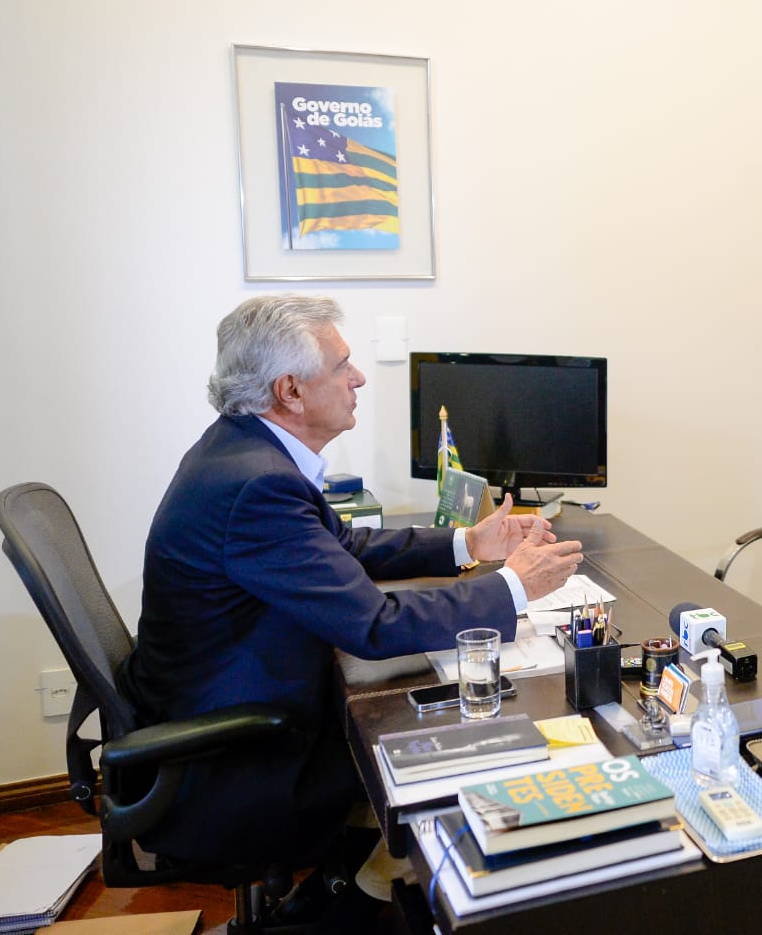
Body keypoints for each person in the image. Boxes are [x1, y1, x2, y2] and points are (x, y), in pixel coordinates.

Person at [121, 295, 584, 916]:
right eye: (342, 366)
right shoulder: (257, 484)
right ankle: (380, 899)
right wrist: (516, 587)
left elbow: (341, 545)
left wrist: (467, 543)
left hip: (221, 704)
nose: (359, 377)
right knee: (466, 743)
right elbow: (374, 624)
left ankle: (367, 887)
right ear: (290, 390)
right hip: (238, 762)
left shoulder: (241, 452)